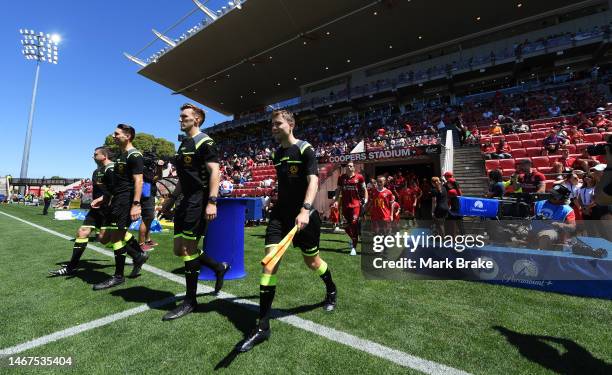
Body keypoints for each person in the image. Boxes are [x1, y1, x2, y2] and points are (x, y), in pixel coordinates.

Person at [238, 110, 337, 352]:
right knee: (269, 263)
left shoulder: (305, 149)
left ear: (290, 125)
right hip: (280, 216)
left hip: (305, 216)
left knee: (312, 262)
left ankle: (331, 289)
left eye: (277, 123)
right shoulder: (277, 153)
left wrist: (305, 210)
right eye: (272, 124)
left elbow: (313, 180)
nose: (272, 127)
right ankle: (262, 326)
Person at [160, 103, 230, 320]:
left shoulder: (205, 142)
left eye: (184, 117)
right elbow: (182, 178)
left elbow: (215, 173)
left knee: (189, 249)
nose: (180, 120)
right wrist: (171, 199)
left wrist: (212, 201)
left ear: (196, 119)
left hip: (199, 200)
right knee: (178, 250)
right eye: (180, 116)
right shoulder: (184, 145)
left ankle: (190, 301)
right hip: (185, 199)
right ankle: (219, 268)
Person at [93, 124, 149, 290]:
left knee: (116, 237)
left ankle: (119, 276)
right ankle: (138, 256)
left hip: (126, 200)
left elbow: (139, 180)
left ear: (128, 136)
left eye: (117, 134)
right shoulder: (120, 156)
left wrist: (136, 204)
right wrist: (104, 198)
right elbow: (117, 183)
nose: (114, 135)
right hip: (117, 199)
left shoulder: (135, 155)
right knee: (113, 235)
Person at [49, 147, 114, 276]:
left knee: (104, 239)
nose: (93, 156)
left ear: (104, 156)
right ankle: (71, 267)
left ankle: (136, 254)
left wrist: (102, 200)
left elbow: (116, 190)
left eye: (96, 154)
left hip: (109, 210)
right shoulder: (96, 172)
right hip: (96, 209)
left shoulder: (114, 169)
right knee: (82, 232)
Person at [529, 184, 576, 250]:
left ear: (562, 198)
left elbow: (572, 227)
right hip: (532, 229)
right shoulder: (538, 203)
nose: (551, 195)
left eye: (554, 195)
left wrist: (558, 224)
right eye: (551, 193)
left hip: (551, 231)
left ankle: (540, 256)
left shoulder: (568, 210)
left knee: (546, 237)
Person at [335, 162, 368, 256]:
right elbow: (338, 189)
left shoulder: (359, 177)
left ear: (354, 167)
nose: (348, 167)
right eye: (347, 166)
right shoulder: (341, 177)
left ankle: (353, 248)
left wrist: (365, 199)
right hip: (345, 206)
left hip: (356, 205)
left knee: (353, 223)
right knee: (345, 226)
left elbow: (364, 189)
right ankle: (355, 237)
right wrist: (336, 200)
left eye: (350, 166)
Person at [139, 159, 164, 251]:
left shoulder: (149, 169)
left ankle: (147, 240)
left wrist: (160, 167)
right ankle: (141, 244)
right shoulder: (144, 169)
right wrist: (158, 167)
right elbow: (154, 179)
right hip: (146, 193)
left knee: (150, 218)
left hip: (150, 193)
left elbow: (159, 177)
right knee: (146, 218)